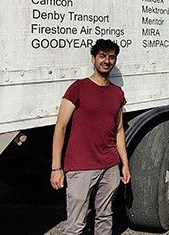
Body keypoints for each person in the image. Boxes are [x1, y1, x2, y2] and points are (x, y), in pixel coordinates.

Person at [50, 39, 131, 235]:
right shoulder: (78, 88)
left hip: (110, 166)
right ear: (93, 59)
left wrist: (125, 164)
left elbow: (118, 130)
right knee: (75, 225)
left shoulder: (117, 93)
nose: (107, 61)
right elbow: (60, 128)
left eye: (111, 57)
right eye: (102, 56)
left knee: (105, 217)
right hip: (80, 167)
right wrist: (56, 167)